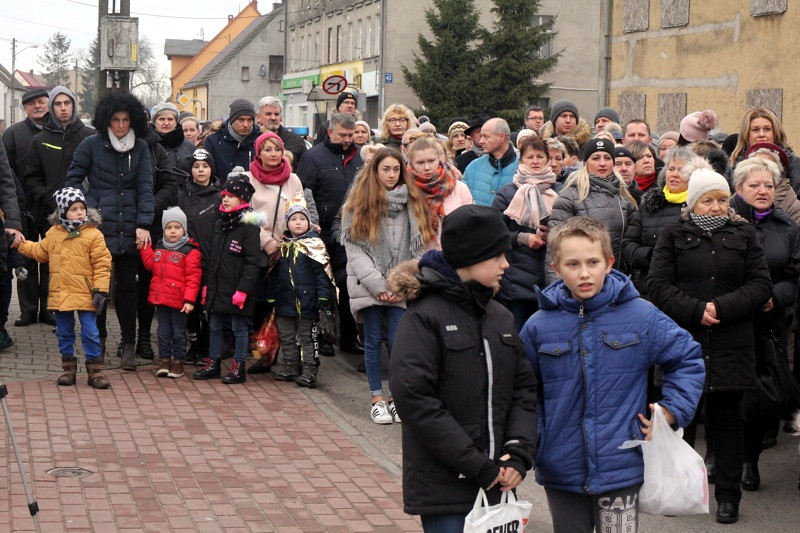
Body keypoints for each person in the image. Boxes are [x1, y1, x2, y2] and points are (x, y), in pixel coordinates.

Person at [520, 216, 704, 533]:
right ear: (556, 266)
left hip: (622, 461)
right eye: (573, 264)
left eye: (593, 262)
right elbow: (523, 390)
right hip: (561, 466)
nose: (584, 272)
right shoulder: (538, 325)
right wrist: (538, 437)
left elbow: (687, 356)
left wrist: (671, 410)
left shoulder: (641, 315)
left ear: (609, 262)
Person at [387, 204, 538, 531]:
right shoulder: (425, 316)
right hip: (446, 489)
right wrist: (476, 465)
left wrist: (519, 452)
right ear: (472, 256)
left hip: (499, 483)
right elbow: (415, 399)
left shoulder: (501, 317)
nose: (506, 264)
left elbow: (523, 390)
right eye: (498, 256)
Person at [648, 167, 773, 524]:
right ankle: (682, 490)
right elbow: (657, 284)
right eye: (708, 200)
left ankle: (728, 497)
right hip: (684, 340)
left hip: (732, 342)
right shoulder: (673, 234)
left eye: (721, 199)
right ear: (693, 202)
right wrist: (695, 310)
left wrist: (721, 308)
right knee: (682, 418)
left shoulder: (744, 234)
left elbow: (760, 284)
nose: (716, 206)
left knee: (727, 421)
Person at [341, 147, 434, 424]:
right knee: (372, 342)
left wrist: (400, 284)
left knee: (398, 343)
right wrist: (379, 285)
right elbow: (354, 250)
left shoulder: (413, 202)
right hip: (369, 286)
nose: (392, 175)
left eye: (396, 169)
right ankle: (376, 398)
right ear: (375, 171)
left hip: (400, 287)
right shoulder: (357, 202)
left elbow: (420, 247)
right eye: (386, 169)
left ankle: (395, 397)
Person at [65, 91, 154, 371]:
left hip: (129, 229)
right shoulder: (91, 144)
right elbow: (73, 181)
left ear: (133, 121)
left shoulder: (139, 148)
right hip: (98, 229)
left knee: (128, 288)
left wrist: (143, 224)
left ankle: (128, 344)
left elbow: (145, 188)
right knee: (99, 289)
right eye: (115, 119)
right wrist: (89, 209)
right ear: (106, 120)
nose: (120, 125)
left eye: (126, 120)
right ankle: (99, 343)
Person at [728, 157, 800, 491]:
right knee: (727, 394)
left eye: (769, 185)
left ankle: (749, 461)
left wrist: (775, 296)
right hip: (729, 321)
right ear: (739, 188)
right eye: (754, 185)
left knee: (759, 398)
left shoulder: (787, 227)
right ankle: (719, 454)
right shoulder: (725, 222)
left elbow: (794, 275)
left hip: (767, 322)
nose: (762, 190)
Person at [18, 187, 112, 389]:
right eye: (74, 209)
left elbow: (103, 264)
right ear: (62, 212)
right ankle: (68, 368)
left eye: (82, 208)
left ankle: (95, 370)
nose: (80, 212)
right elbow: (39, 252)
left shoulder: (94, 235)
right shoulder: (53, 234)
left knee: (90, 331)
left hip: (86, 292)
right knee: (64, 331)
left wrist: (100, 290)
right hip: (61, 292)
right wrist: (19, 244)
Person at [22, 86, 94, 328]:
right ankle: (42, 309)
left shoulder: (90, 136)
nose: (63, 108)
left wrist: (85, 203)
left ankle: (79, 311)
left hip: (83, 216)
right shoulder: (40, 139)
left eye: (67, 103)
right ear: (52, 108)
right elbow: (31, 176)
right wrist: (50, 200)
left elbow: (99, 175)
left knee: (76, 264)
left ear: (74, 105)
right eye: (58, 104)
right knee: (46, 260)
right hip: (49, 213)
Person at [297, 113, 364, 354]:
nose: (347, 140)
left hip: (351, 233)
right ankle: (324, 336)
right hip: (322, 232)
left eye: (351, 135)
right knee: (323, 286)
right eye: (343, 135)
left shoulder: (361, 157)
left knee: (347, 285)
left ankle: (348, 337)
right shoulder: (313, 157)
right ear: (330, 132)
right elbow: (305, 194)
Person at [193, 174, 261, 384]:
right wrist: (207, 286)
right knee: (214, 326)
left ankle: (238, 366)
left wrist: (243, 290)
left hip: (237, 289)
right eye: (224, 195)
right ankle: (213, 362)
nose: (225, 199)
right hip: (217, 286)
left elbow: (252, 262)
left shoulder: (249, 226)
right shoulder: (220, 222)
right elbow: (213, 258)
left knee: (239, 328)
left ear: (242, 199)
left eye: (230, 196)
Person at [545, 138, 638, 283]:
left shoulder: (624, 197)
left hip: (617, 281)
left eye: (607, 158)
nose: (602, 163)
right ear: (585, 163)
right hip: (581, 280)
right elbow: (554, 247)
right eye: (595, 158)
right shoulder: (570, 196)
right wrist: (555, 289)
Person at [492, 137, 560, 331]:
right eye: (530, 157)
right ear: (521, 161)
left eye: (540, 156)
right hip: (515, 279)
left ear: (548, 160)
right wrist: (521, 238)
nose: (535, 161)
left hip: (550, 275)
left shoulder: (559, 191)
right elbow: (495, 231)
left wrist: (551, 235)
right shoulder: (507, 193)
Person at [269, 196, 333, 387]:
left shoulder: (314, 245)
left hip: (308, 302)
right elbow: (274, 275)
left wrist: (323, 296)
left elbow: (323, 273)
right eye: (294, 219)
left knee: (308, 337)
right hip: (285, 301)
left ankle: (310, 371)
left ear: (309, 222)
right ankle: (291, 367)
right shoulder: (283, 247)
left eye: (302, 219)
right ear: (287, 223)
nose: (298, 222)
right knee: (287, 335)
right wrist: (272, 295)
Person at [622, 147, 698, 297]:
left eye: (681, 170)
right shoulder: (651, 204)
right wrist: (651, 256)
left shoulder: (699, 206)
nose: (675, 174)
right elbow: (628, 243)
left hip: (685, 291)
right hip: (648, 288)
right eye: (671, 169)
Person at [3, 87, 50, 326]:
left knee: (53, 259)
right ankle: (28, 310)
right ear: (24, 109)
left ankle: (50, 309)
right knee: (26, 258)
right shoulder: (12, 134)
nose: (37, 106)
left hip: (52, 207)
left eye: (41, 101)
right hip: (24, 206)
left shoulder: (57, 131)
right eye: (31, 104)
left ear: (48, 103)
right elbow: (6, 173)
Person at [140, 206, 202, 380]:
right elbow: (150, 264)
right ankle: (165, 360)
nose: (173, 231)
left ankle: (178, 361)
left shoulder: (190, 251)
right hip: (161, 300)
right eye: (169, 228)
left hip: (179, 302)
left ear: (184, 229)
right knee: (162, 332)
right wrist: (144, 248)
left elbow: (193, 278)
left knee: (178, 332)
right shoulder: (160, 247)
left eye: (177, 227)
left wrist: (189, 300)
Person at [178, 149, 220, 364]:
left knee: (208, 307)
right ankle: (194, 345)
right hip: (188, 260)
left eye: (204, 166)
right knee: (189, 306)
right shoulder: (182, 194)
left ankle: (208, 347)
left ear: (211, 169)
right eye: (196, 166)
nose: (200, 170)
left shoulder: (219, 196)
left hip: (211, 260)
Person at [406, 137, 474, 248]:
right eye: (420, 162)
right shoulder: (406, 191)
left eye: (431, 161)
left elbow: (471, 226)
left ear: (439, 159)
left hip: (456, 256)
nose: (427, 167)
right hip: (420, 258)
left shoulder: (460, 188)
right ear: (411, 163)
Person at [730, 106, 800, 195]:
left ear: (775, 133)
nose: (762, 134)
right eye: (755, 130)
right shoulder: (734, 164)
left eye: (767, 129)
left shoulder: (792, 162)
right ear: (746, 134)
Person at [462, 118, 519, 206]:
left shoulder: (523, 167)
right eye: (481, 136)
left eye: (486, 136)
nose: (481, 141)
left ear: (502, 137)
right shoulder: (473, 167)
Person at [203, 98, 260, 180]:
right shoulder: (213, 142)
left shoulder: (261, 141)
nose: (245, 124)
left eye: (250, 120)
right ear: (232, 120)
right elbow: (209, 175)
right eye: (241, 119)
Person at [256, 96, 307, 170]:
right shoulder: (251, 139)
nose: (273, 118)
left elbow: (304, 172)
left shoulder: (296, 141)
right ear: (258, 117)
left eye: (276, 114)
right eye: (268, 114)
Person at [150, 102, 194, 178]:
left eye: (170, 119)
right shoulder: (148, 144)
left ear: (176, 122)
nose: (166, 123)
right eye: (162, 119)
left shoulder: (188, 146)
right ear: (154, 122)